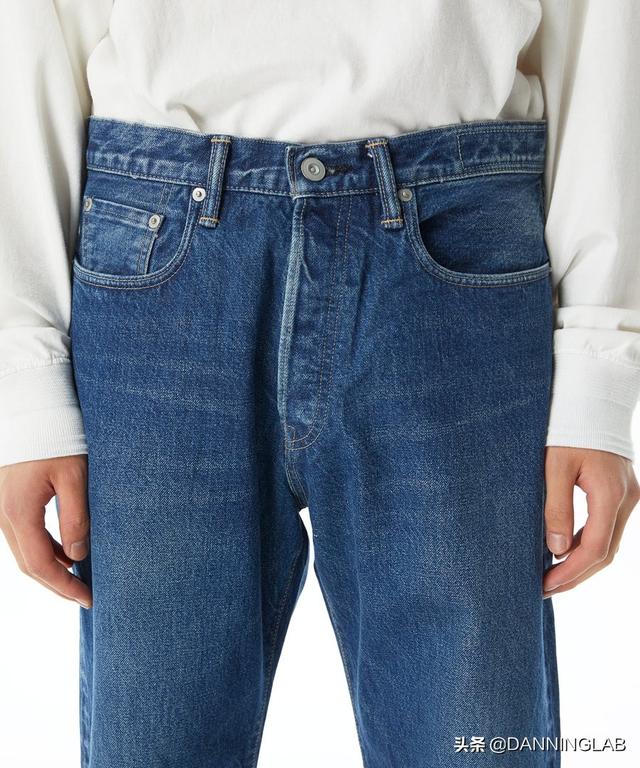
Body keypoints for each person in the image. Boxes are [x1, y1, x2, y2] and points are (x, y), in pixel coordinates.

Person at [0, 2, 638, 767]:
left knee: (475, 742)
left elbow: (601, 33)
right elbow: (31, 37)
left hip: (453, 251)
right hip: (164, 262)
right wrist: (25, 384)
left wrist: (600, 375)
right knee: (152, 744)